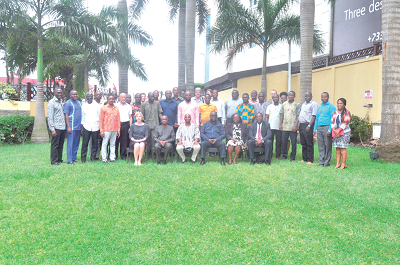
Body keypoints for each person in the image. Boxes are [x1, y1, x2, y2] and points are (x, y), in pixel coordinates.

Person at [313, 92, 336, 167]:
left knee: (327, 145)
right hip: (319, 127)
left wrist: (330, 129)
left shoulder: (331, 107)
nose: (323, 98)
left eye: (325, 97)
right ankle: (321, 161)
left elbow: (333, 119)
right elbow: (317, 118)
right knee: (321, 145)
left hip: (327, 127)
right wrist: (315, 129)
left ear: (328, 97)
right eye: (322, 97)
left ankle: (327, 162)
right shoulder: (320, 107)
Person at [279, 91, 300, 161]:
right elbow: (281, 114)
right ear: (288, 96)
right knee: (284, 142)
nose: (291, 96)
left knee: (293, 143)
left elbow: (298, 115)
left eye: (292, 95)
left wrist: (295, 125)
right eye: (289, 95)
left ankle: (293, 157)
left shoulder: (297, 104)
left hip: (293, 127)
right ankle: (284, 155)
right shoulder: (284, 104)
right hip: (285, 126)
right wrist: (280, 124)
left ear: (294, 96)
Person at [99, 94, 120, 163]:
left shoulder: (116, 108)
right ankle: (104, 158)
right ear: (107, 100)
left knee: (113, 144)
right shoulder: (103, 108)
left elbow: (118, 119)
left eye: (112, 99)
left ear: (114, 100)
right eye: (110, 99)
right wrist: (101, 130)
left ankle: (112, 158)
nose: (111, 100)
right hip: (106, 129)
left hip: (114, 129)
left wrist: (118, 130)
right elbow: (101, 120)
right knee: (104, 144)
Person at [298, 92, 318, 165]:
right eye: (305, 96)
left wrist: (309, 126)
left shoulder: (314, 104)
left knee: (309, 143)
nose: (307, 97)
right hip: (302, 125)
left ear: (311, 96)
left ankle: (310, 159)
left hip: (308, 125)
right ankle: (304, 158)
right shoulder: (303, 104)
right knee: (303, 143)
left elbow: (314, 116)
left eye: (308, 96)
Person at [81, 92, 101, 163]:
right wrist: (82, 127)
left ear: (92, 97)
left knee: (94, 143)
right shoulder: (84, 106)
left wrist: (100, 127)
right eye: (88, 96)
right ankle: (83, 159)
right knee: (85, 144)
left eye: (91, 96)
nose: (89, 97)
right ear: (86, 97)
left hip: (95, 127)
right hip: (86, 126)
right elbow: (82, 117)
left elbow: (99, 116)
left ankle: (93, 158)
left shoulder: (97, 105)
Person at [47, 88, 66, 165]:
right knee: (55, 145)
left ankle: (59, 159)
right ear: (54, 93)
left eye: (61, 92)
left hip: (62, 127)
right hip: (56, 127)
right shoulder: (51, 103)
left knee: (61, 144)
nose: (60, 94)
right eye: (58, 92)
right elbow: (50, 117)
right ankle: (54, 161)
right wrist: (52, 129)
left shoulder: (61, 102)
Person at [331, 98, 351, 169]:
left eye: (341, 103)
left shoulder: (347, 112)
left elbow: (346, 123)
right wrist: (334, 130)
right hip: (336, 132)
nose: (339, 104)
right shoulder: (334, 112)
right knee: (337, 148)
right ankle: (337, 163)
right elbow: (332, 122)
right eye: (338, 103)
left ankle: (343, 164)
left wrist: (338, 130)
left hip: (344, 132)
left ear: (344, 104)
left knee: (343, 148)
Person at [141, 92, 163, 156]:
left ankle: (154, 153)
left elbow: (160, 113)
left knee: (154, 139)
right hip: (146, 125)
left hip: (155, 124)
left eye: (153, 96)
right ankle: (147, 153)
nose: (152, 98)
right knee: (147, 139)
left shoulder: (157, 103)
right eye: (151, 97)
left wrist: (162, 120)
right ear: (148, 97)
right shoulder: (144, 104)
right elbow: (142, 115)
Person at [64, 90, 82, 164]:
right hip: (71, 127)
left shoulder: (79, 103)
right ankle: (69, 160)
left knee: (76, 143)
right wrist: (68, 127)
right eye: (73, 94)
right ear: (70, 95)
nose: (75, 95)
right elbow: (66, 115)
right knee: (70, 144)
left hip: (78, 127)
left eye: (76, 94)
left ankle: (74, 157)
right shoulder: (67, 103)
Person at [115, 93, 132, 160]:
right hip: (117, 124)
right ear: (119, 98)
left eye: (125, 97)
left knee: (124, 140)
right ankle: (115, 155)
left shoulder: (128, 106)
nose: (123, 99)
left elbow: (130, 117)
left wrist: (130, 127)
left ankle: (123, 155)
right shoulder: (116, 106)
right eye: (122, 97)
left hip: (126, 124)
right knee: (116, 140)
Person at [266, 93, 282, 160]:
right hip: (270, 126)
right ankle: (270, 154)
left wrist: (281, 125)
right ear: (272, 98)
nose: (275, 99)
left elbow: (282, 116)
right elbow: (267, 116)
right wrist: (266, 125)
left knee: (278, 142)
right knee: (270, 141)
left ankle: (278, 155)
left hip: (278, 127)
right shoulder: (269, 106)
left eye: (277, 97)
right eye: (274, 97)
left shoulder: (281, 106)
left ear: (278, 98)